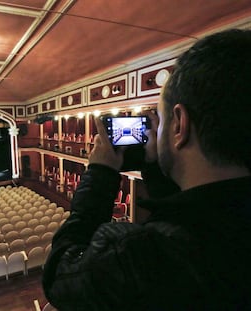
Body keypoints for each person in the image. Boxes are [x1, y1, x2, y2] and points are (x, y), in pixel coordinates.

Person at [42, 29, 251, 310]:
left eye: (160, 121)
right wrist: (155, 169)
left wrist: (101, 173)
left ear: (180, 125)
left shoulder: (137, 254)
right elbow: (197, 213)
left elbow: (59, 276)